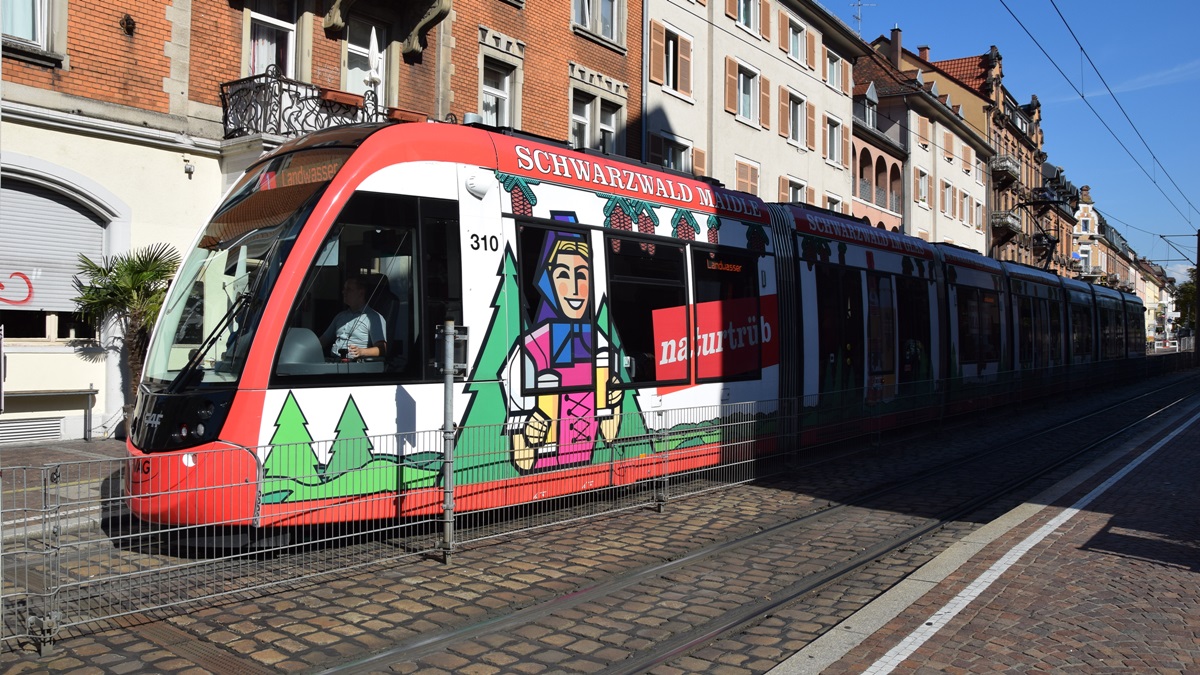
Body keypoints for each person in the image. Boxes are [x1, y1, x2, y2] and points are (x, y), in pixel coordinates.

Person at [320, 275, 387, 360]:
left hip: (356, 364)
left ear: (361, 293)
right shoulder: (340, 316)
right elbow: (323, 341)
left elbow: (382, 349)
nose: (343, 292)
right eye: (344, 289)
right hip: (333, 361)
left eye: (349, 289)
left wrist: (361, 352)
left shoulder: (373, 318)